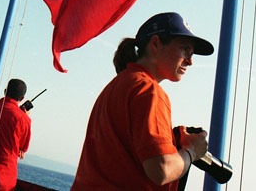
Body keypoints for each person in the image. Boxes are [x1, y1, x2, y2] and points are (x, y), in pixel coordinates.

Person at [72, 12, 211, 191]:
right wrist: (191, 151)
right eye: (185, 49)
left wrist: (174, 142)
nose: (190, 61)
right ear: (155, 44)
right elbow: (161, 169)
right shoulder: (149, 91)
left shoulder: (119, 84)